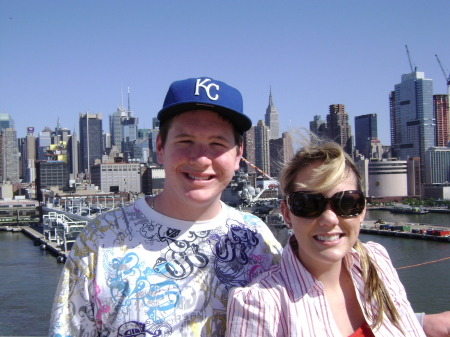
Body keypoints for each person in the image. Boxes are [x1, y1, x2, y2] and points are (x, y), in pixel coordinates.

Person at [48, 77, 283, 337]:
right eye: (185, 141)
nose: (201, 158)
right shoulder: (99, 240)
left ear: (239, 155)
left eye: (217, 144)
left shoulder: (260, 240)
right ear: (160, 147)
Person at [226, 140, 431, 336]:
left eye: (347, 203)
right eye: (307, 203)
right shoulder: (258, 304)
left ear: (362, 210)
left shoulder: (378, 262)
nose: (329, 219)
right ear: (287, 214)